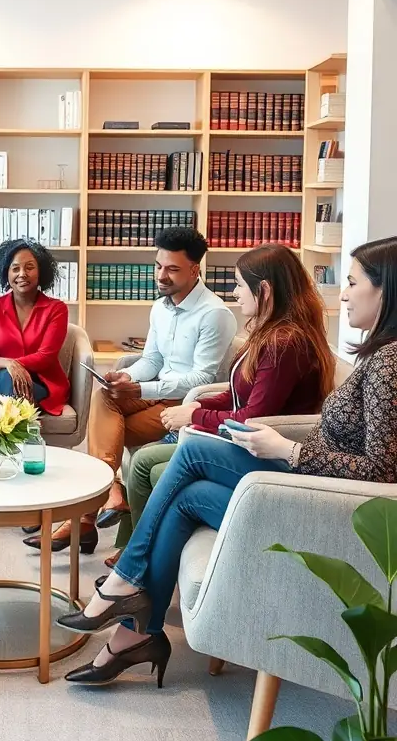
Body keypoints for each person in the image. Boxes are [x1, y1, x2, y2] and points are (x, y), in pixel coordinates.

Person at [57, 236, 397, 687]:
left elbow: (381, 472)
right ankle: (135, 635)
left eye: (353, 282)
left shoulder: (388, 363)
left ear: (385, 289)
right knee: (186, 497)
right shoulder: (376, 356)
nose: (344, 292)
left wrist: (288, 449)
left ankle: (124, 582)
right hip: (309, 484)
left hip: (320, 504)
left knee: (193, 450)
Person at [107, 244, 336, 570]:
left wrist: (195, 414)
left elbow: (252, 415)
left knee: (150, 466)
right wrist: (199, 405)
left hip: (254, 444)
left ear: (265, 290)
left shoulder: (282, 343)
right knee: (137, 448)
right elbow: (238, 393)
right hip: (237, 433)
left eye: (240, 284)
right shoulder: (270, 333)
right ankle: (136, 556)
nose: (234, 291)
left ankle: (138, 561)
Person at [42, 227, 237, 557]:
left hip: (185, 404)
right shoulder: (161, 306)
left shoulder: (214, 314)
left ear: (195, 270)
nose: (162, 275)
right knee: (103, 393)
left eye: (172, 269)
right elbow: (153, 359)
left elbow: (201, 379)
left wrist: (140, 388)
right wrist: (124, 377)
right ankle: (111, 492)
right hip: (158, 391)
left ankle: (87, 518)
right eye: (158, 265)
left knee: (105, 432)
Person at [0, 238, 69, 412]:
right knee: (10, 384)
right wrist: (9, 365)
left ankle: (7, 436)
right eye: (15, 268)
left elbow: (46, 356)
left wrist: (15, 365)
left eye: (30, 267)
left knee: (15, 390)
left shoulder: (57, 309)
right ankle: (25, 436)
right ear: (6, 273)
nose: (22, 274)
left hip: (39, 381)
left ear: (41, 271)